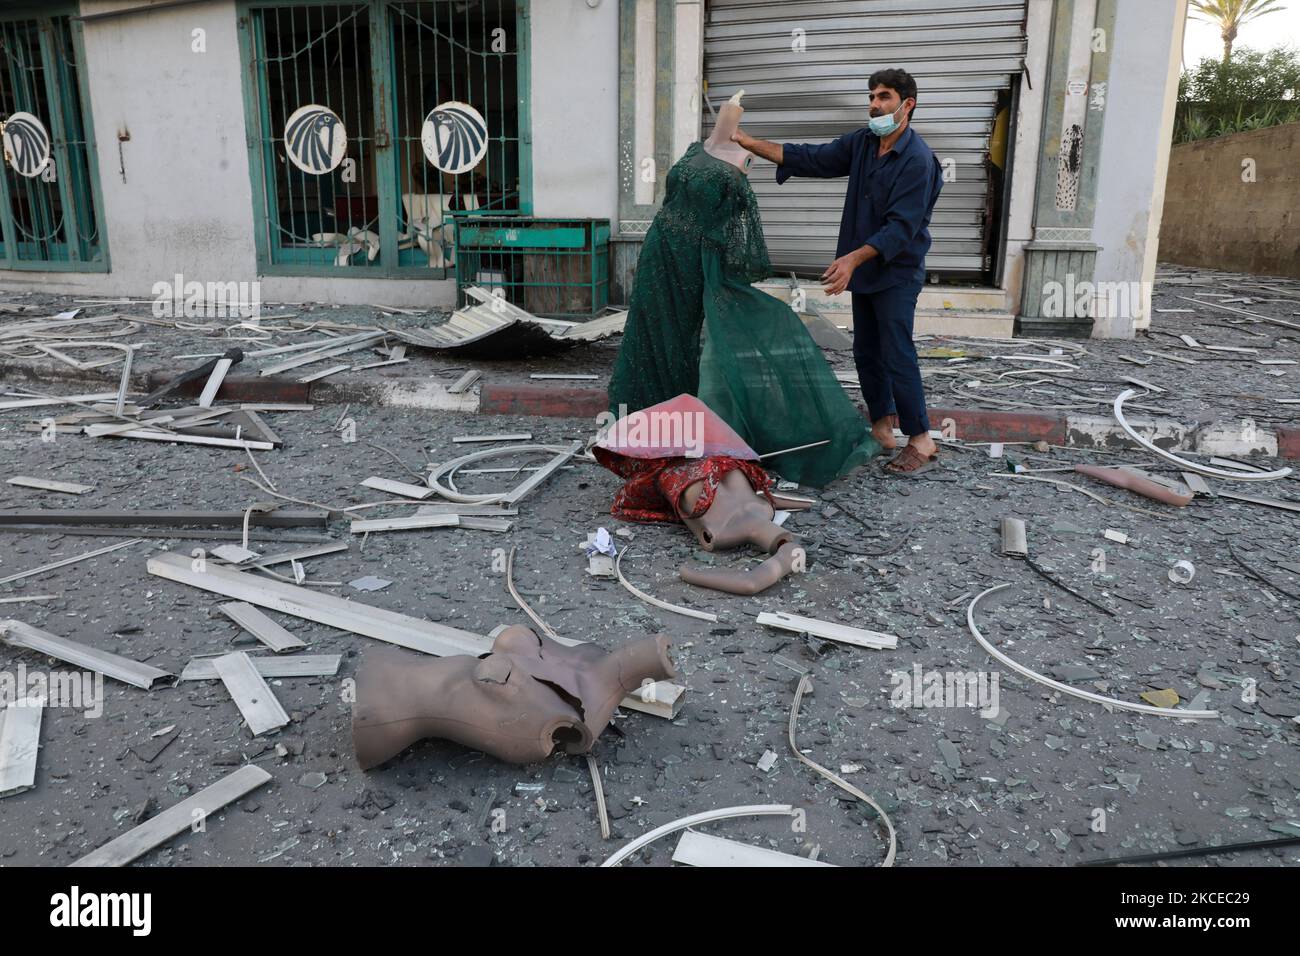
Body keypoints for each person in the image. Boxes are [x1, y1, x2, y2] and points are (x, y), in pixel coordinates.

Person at [732, 68, 944, 475]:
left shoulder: (918, 161)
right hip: (865, 270)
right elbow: (812, 157)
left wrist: (850, 259)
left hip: (896, 271)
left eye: (883, 97)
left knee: (896, 352)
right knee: (866, 351)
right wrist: (747, 141)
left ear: (907, 104)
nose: (873, 104)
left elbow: (901, 229)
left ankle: (921, 439)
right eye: (871, 96)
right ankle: (882, 429)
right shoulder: (865, 143)